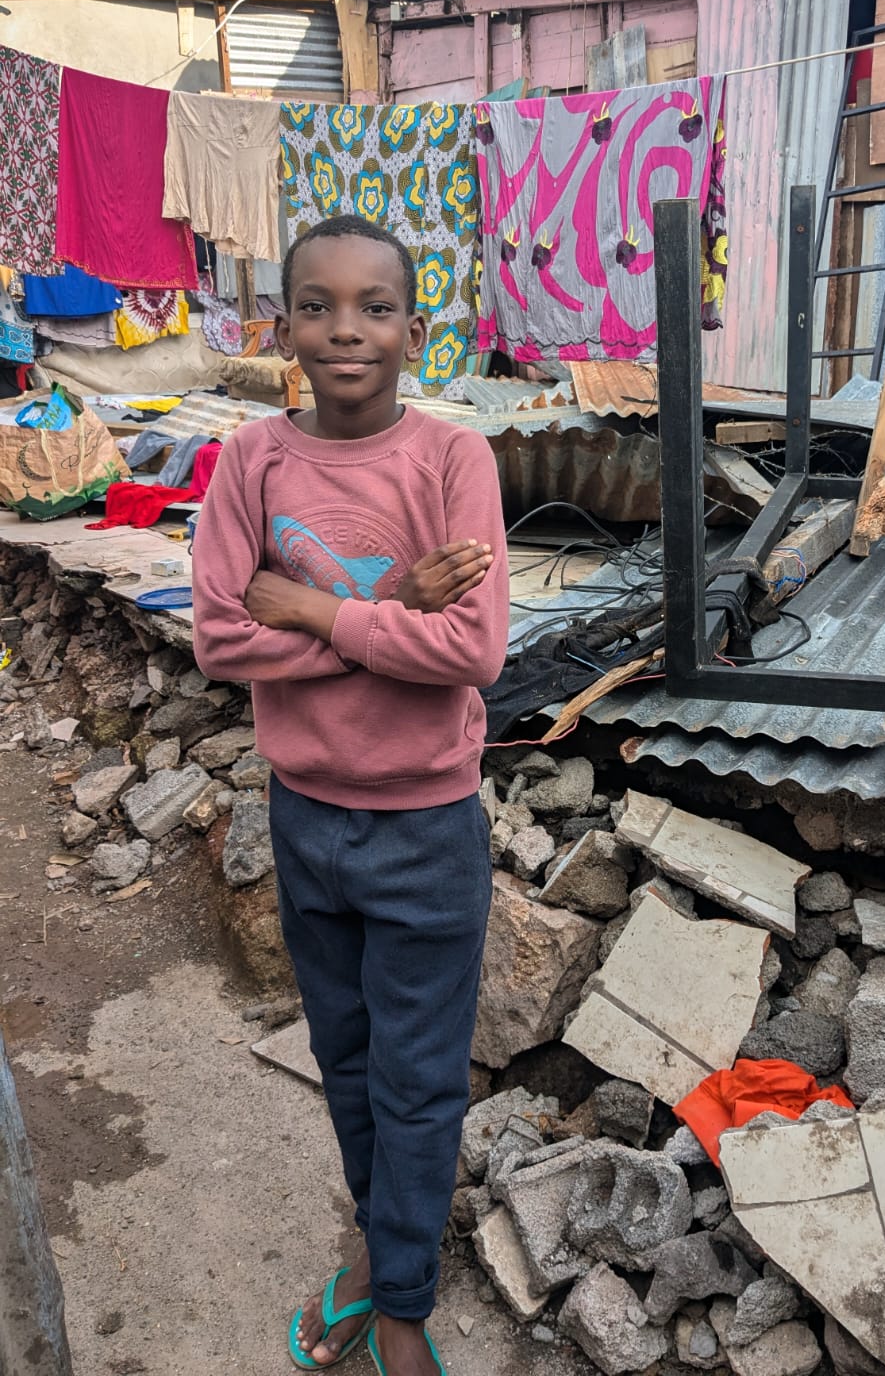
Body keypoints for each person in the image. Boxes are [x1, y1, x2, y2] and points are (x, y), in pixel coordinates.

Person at [191, 214, 509, 1376]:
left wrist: (316, 609)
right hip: (306, 820)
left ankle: (405, 1306)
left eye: (375, 307)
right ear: (281, 327)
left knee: (419, 1079)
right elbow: (222, 639)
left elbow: (472, 649)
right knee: (348, 1061)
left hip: (427, 827)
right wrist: (392, 617)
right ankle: (381, 1254)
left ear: (414, 331)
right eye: (316, 305)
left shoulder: (451, 461)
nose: (345, 329)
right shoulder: (250, 462)